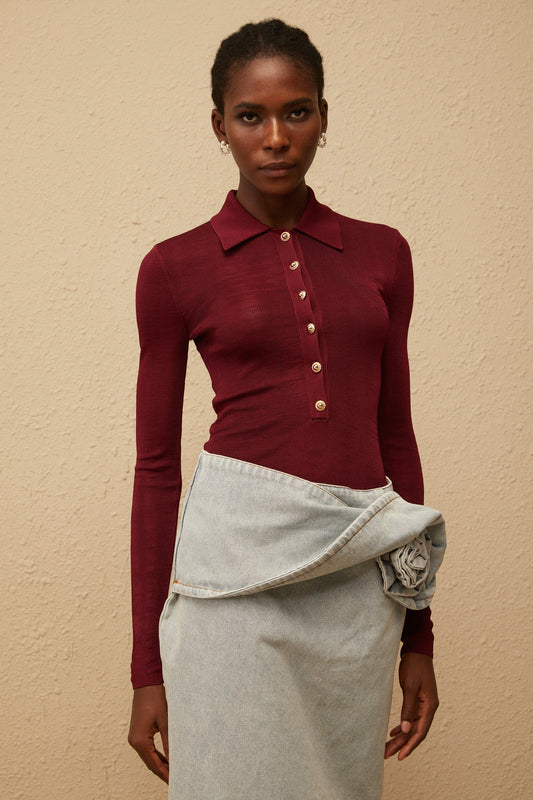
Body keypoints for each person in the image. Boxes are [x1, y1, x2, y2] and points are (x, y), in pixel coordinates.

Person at [128, 18, 445, 800]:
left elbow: (394, 439)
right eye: (250, 116)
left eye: (295, 112)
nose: (275, 138)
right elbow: (156, 470)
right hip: (229, 585)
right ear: (219, 126)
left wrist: (418, 631)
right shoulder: (173, 268)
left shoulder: (383, 253)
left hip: (354, 587)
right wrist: (146, 668)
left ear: (323, 117)